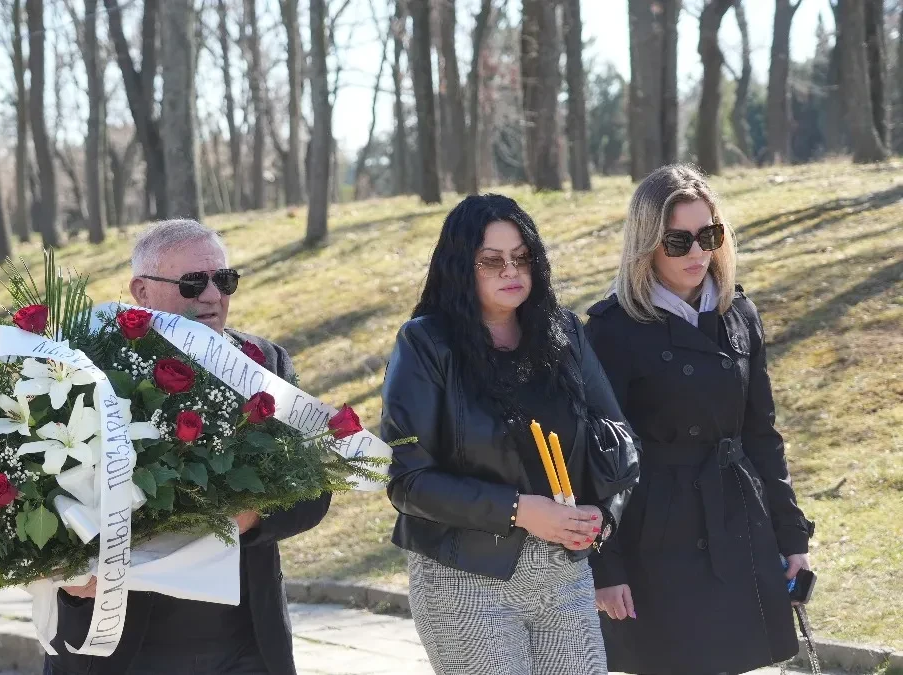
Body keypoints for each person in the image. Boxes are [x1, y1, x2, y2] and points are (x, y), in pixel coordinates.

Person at [44, 219, 332, 675]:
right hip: (118, 642)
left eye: (224, 279)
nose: (213, 296)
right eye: (193, 282)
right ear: (141, 290)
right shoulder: (79, 370)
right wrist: (62, 569)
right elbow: (32, 491)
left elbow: (315, 486)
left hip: (244, 647)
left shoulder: (263, 363)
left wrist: (253, 518)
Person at [380, 194, 635, 674]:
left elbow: (620, 443)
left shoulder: (562, 331)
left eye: (522, 257)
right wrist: (519, 510)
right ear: (460, 266)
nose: (510, 270)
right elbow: (407, 481)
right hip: (464, 576)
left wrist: (602, 516)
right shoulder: (425, 342)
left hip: (562, 575)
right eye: (491, 261)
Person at [586, 164, 814, 675]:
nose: (697, 253)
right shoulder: (614, 329)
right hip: (658, 533)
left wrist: (791, 537)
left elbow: (761, 435)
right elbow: (597, 461)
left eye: (709, 235)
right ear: (647, 243)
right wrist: (607, 565)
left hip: (738, 515)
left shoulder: (739, 314)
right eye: (678, 241)